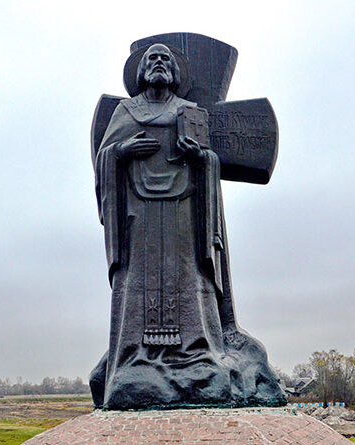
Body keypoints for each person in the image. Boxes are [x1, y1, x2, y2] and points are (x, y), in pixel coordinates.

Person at [90, 44, 285, 410]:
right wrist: (122, 152)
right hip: (139, 215)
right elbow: (105, 156)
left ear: (176, 73)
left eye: (165, 58)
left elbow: (209, 158)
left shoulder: (189, 111)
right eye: (152, 59)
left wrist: (201, 157)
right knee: (139, 280)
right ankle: (134, 357)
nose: (159, 63)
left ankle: (198, 352)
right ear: (141, 72)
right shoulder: (126, 112)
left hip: (184, 211)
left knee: (188, 278)